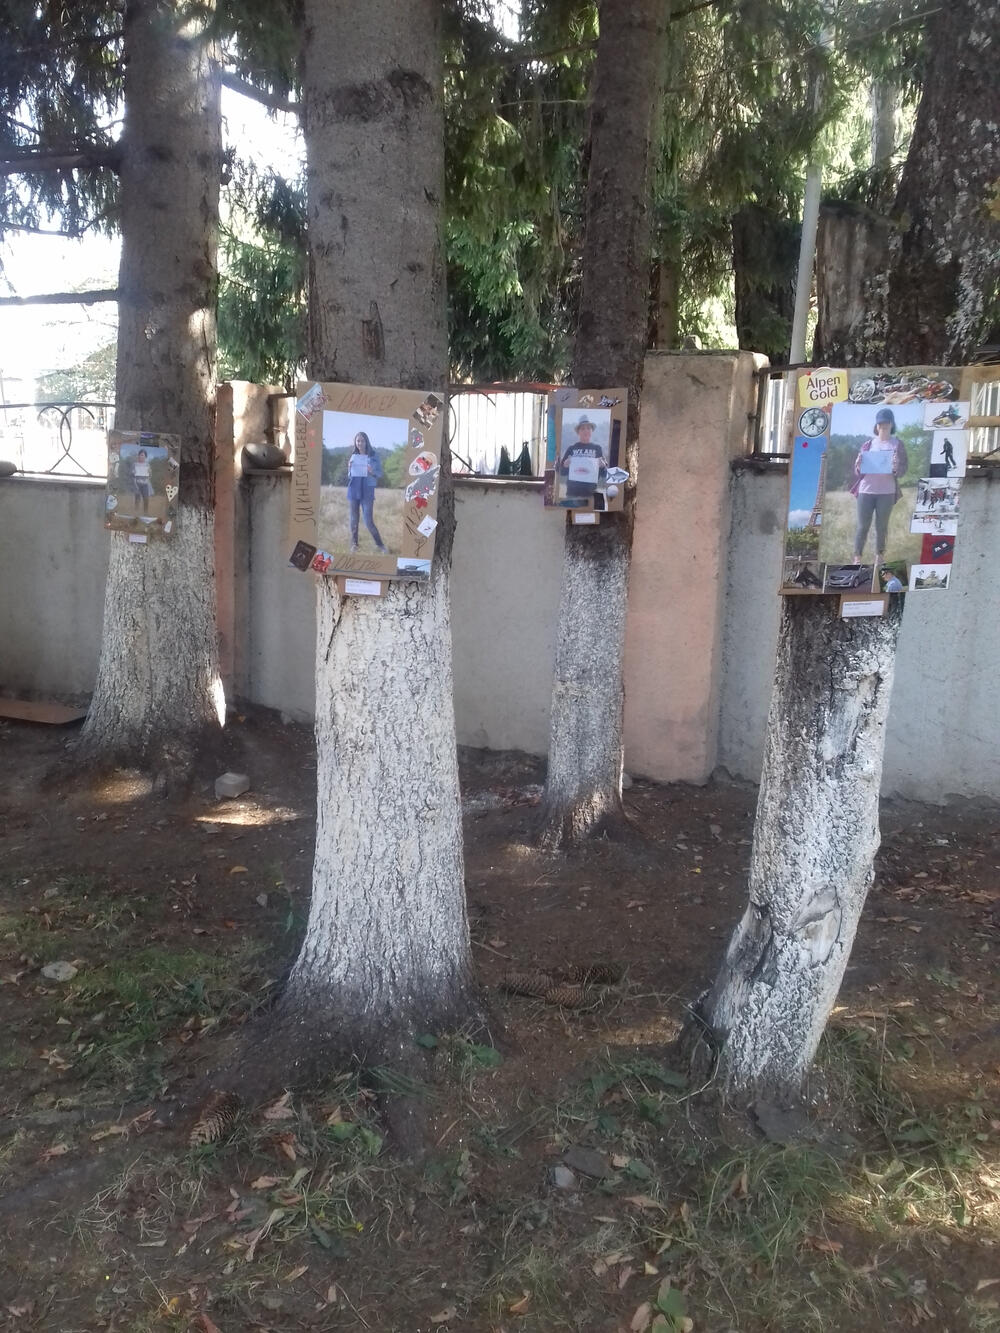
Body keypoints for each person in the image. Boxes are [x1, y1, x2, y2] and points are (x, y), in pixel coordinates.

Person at [850, 407, 908, 564]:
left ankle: (879, 557)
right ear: (876, 425)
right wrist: (857, 465)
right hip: (866, 491)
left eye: (886, 422)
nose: (883, 425)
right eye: (880, 423)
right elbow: (857, 472)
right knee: (862, 526)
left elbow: (903, 470)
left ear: (892, 424)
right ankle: (857, 558)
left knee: (882, 527)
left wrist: (896, 466)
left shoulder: (898, 444)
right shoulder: (867, 445)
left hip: (887, 492)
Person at [346, 431, 387, 552]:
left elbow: (380, 474)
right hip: (354, 489)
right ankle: (354, 544)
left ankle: (380, 545)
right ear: (355, 442)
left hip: (367, 490)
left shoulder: (374, 456)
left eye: (362, 441)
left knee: (368, 520)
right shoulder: (353, 456)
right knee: (354, 519)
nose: (360, 443)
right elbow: (350, 476)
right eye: (358, 441)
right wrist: (349, 468)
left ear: (366, 441)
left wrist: (372, 471)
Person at [559, 416, 608, 502]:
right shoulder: (571, 448)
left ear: (592, 431)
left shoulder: (597, 449)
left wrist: (603, 466)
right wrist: (565, 466)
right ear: (578, 432)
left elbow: (605, 474)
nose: (586, 431)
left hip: (591, 494)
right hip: (572, 494)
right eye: (582, 429)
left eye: (588, 428)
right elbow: (562, 472)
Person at [132, 448, 153, 516]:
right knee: (137, 499)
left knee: (146, 499)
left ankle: (145, 513)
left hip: (145, 484)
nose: (141, 456)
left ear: (145, 457)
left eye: (143, 455)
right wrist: (133, 472)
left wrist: (149, 473)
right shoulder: (135, 464)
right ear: (138, 456)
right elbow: (132, 475)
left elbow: (150, 476)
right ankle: (136, 513)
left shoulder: (147, 465)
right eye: (140, 455)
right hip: (137, 484)